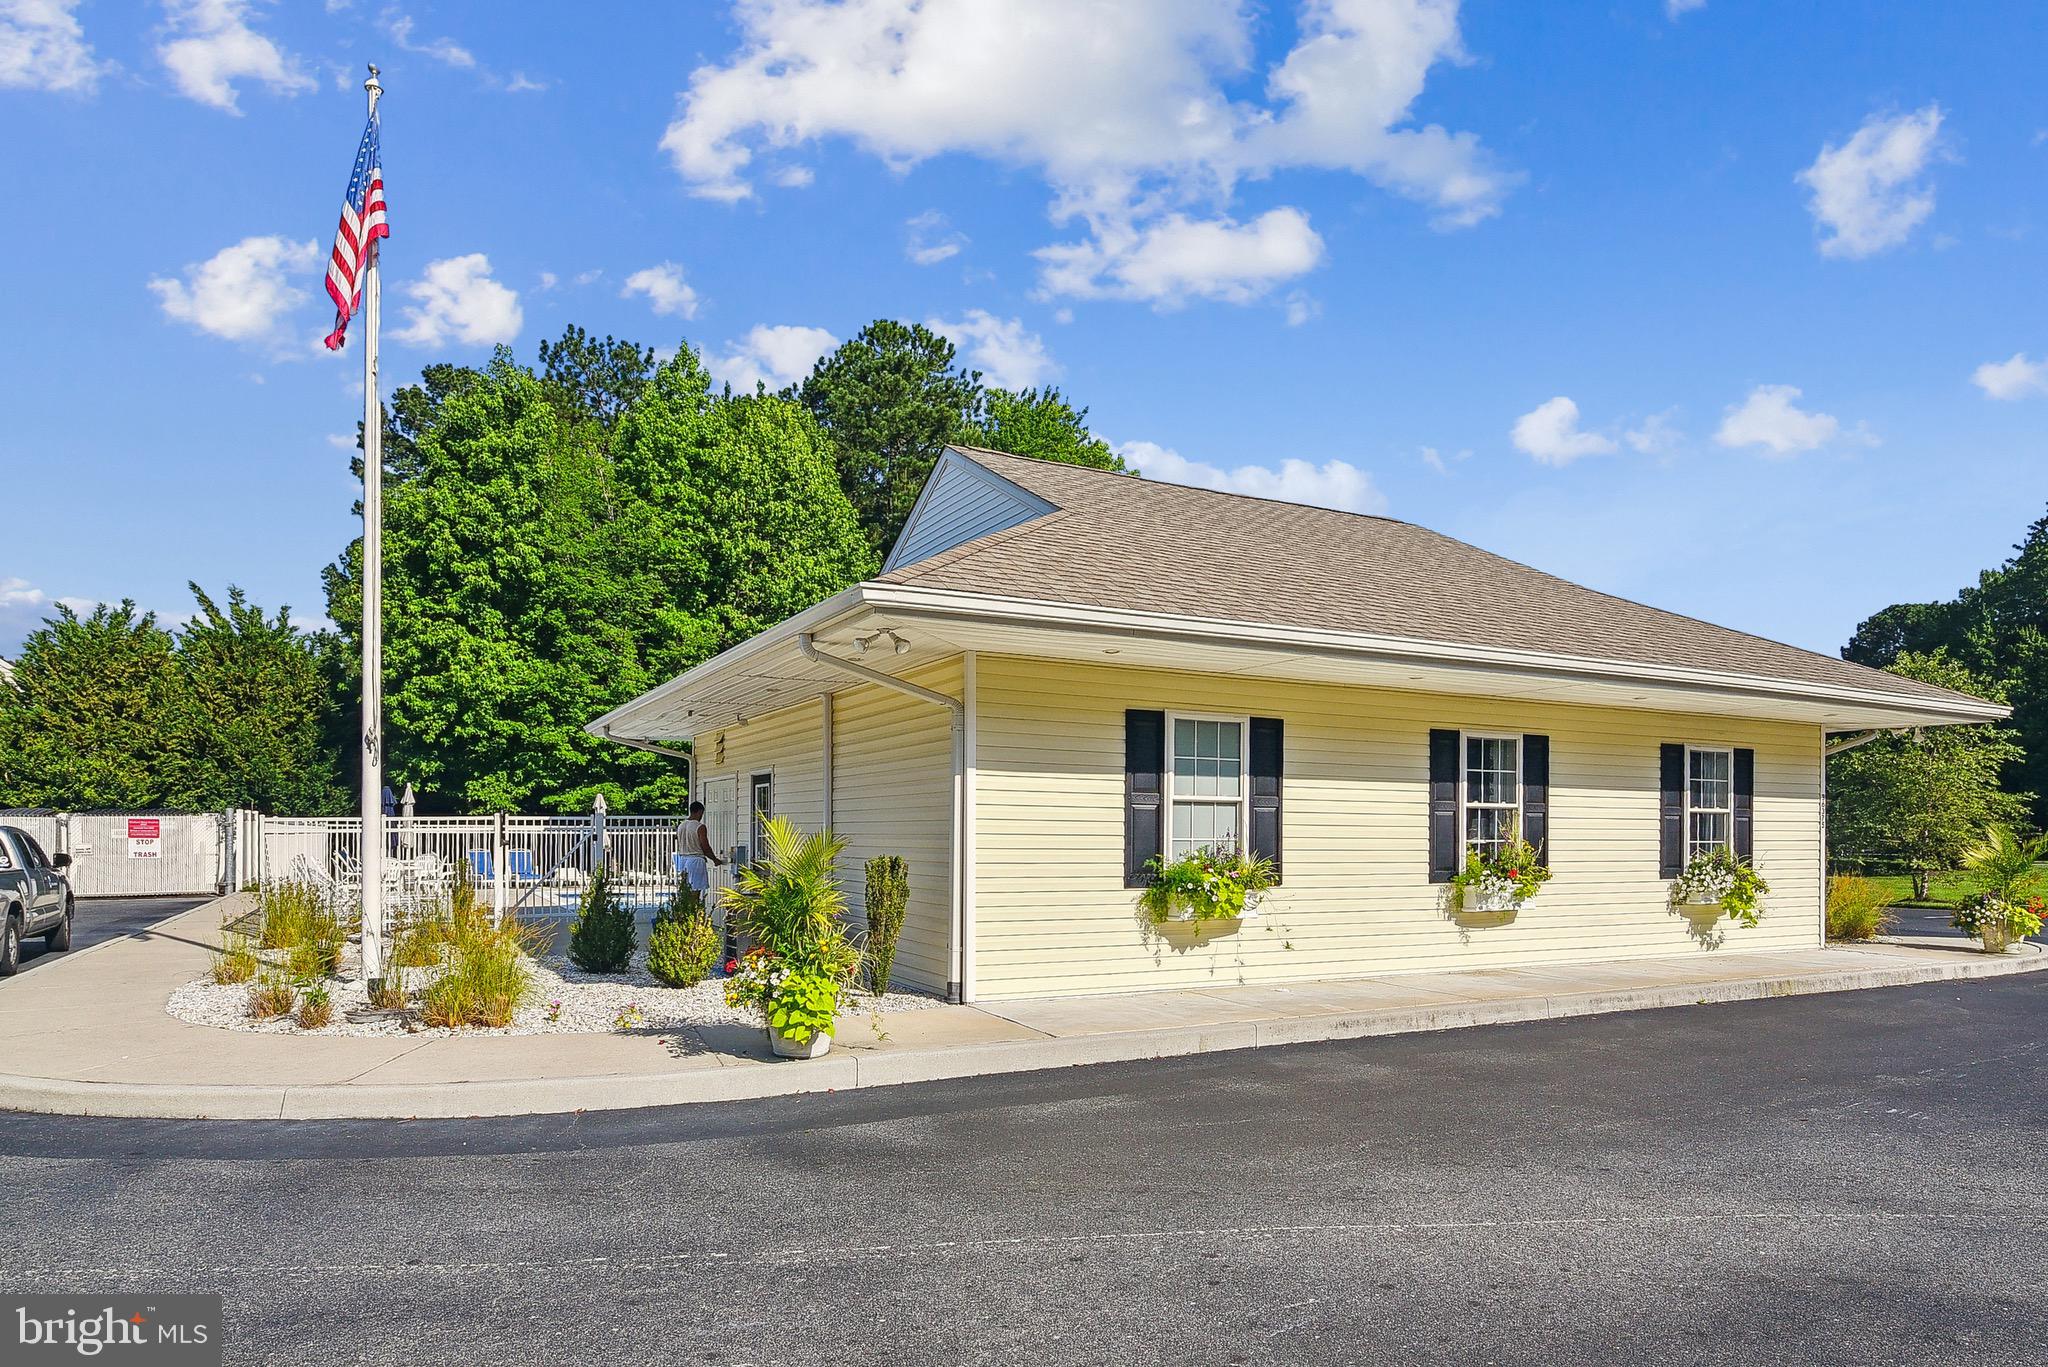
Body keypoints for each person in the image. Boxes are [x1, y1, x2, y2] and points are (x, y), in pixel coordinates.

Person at [678, 802, 723, 897]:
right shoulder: (699, 827)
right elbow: (705, 846)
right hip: (695, 860)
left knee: (685, 890)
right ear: (699, 812)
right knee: (695, 891)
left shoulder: (681, 826)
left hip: (682, 860)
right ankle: (693, 911)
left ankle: (685, 910)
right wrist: (715, 859)